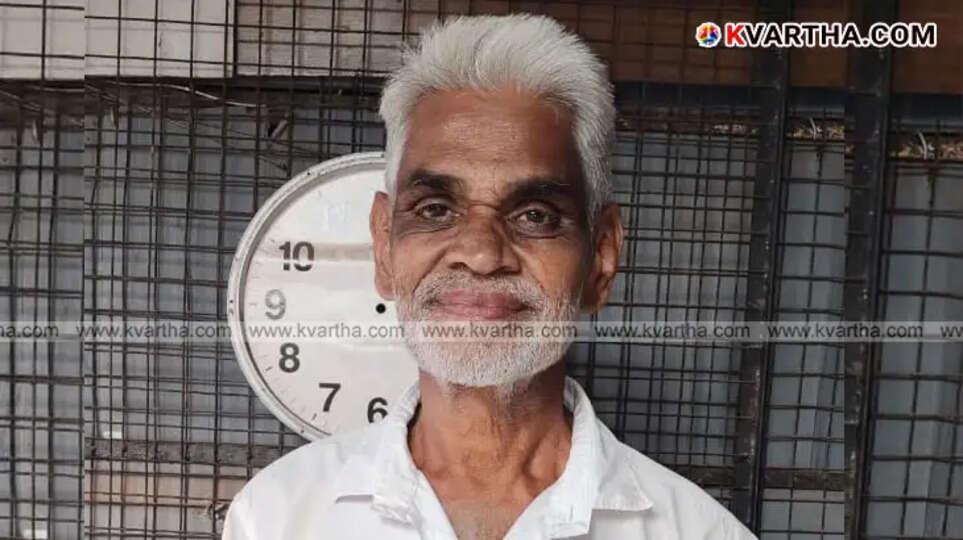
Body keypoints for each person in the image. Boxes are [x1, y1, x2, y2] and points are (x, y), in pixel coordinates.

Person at [222, 14, 757, 540]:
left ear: (600, 258)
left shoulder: (697, 531)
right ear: (384, 247)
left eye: (535, 216)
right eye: (435, 209)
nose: (480, 255)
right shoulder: (278, 517)